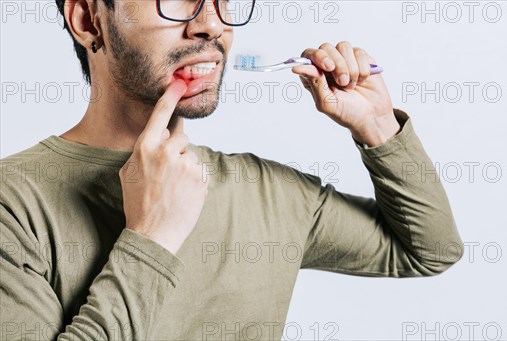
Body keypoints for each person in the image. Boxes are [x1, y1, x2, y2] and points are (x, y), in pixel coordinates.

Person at [0, 0, 464, 339]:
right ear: (88, 18)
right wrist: (152, 239)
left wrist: (379, 127)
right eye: (177, 1)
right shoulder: (13, 201)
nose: (211, 25)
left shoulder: (269, 193)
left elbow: (428, 251)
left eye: (222, 2)